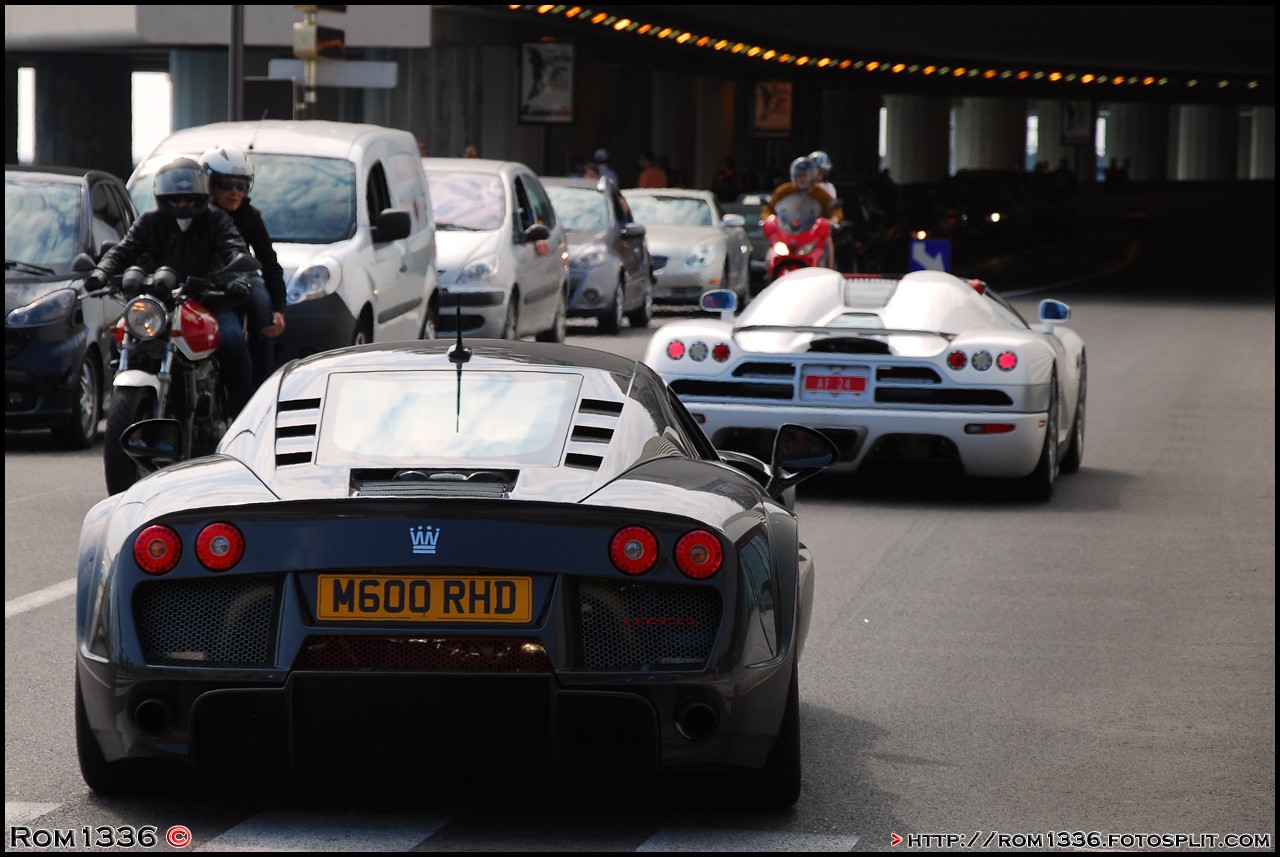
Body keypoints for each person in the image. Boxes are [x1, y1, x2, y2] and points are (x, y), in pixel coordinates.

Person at [84, 157, 254, 417]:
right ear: (163, 198)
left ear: (201, 197)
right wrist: (101, 273)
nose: (182, 205)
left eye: (189, 199)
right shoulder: (149, 222)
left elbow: (234, 249)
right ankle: (118, 397)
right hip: (160, 302)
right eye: (175, 200)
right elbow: (122, 250)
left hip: (211, 301)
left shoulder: (217, 220)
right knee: (119, 334)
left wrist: (238, 279)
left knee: (231, 341)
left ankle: (242, 418)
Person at [200, 143, 286, 388]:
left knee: (260, 304)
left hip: (241, 276)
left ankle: (262, 387)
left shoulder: (250, 215)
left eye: (242, 185)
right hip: (204, 282)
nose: (235, 192)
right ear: (209, 184)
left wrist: (279, 309)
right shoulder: (197, 214)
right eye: (226, 185)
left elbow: (269, 262)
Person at [762, 156, 844, 267]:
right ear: (794, 177)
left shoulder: (820, 192)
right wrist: (767, 218)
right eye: (799, 175)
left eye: (806, 175)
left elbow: (834, 208)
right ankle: (770, 268)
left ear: (812, 176)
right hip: (788, 232)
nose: (803, 179)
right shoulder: (784, 191)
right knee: (773, 245)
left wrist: (834, 220)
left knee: (828, 240)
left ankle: (829, 268)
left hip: (813, 234)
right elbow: (769, 207)